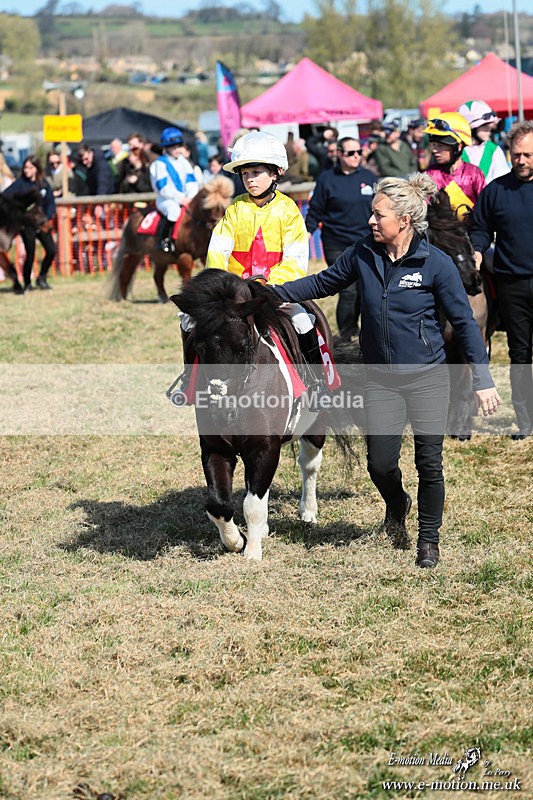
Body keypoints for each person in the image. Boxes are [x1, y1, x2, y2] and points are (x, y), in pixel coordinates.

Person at [272, 173, 501, 568]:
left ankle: (428, 541)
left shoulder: (436, 263)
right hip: (380, 379)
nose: (371, 221)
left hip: (428, 379)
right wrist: (268, 293)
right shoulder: (363, 252)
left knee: (429, 463)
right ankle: (397, 503)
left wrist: (482, 379)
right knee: (379, 464)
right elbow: (323, 282)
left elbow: (465, 325)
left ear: (404, 221)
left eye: (378, 215)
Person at [182, 130, 323, 384]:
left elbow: (295, 259)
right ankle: (190, 380)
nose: (249, 180)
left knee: (303, 321)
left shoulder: (288, 210)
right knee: (188, 321)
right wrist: (221, 288)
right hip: (234, 295)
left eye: (256, 172)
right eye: (245, 174)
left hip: (274, 292)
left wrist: (265, 285)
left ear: (275, 172)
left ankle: (317, 382)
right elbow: (218, 251)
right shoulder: (235, 208)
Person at [470, 120, 533, 440]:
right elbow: (480, 227)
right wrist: (477, 250)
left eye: (528, 155)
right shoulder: (496, 190)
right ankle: (526, 421)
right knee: (519, 354)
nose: (520, 160)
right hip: (512, 284)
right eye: (516, 154)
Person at [305, 137, 375, 341]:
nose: (356, 156)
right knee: (348, 289)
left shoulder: (370, 177)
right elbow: (315, 210)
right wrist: (307, 232)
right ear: (339, 154)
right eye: (351, 153)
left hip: (365, 242)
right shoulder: (327, 179)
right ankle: (346, 335)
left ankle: (364, 332)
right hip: (336, 242)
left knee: (365, 288)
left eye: (359, 152)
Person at [4, 155, 56, 291]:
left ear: (36, 169)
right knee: (30, 254)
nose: (27, 170)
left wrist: (47, 217)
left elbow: (50, 202)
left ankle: (42, 278)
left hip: (42, 222)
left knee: (51, 250)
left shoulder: (43, 184)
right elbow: (5, 198)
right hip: (27, 225)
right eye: (25, 168)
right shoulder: (19, 184)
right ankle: (27, 283)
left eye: (30, 168)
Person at [424, 113, 486, 221]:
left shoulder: (474, 174)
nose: (434, 150)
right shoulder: (430, 174)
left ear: (459, 146)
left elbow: (485, 208)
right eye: (434, 145)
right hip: (438, 230)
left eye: (440, 145)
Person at [149, 127, 200, 253]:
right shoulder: (159, 164)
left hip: (185, 198)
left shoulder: (184, 161)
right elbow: (162, 188)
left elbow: (191, 181)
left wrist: (191, 197)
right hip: (166, 199)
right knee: (174, 211)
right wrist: (179, 198)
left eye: (179, 146)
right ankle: (164, 240)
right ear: (166, 148)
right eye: (173, 147)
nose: (177, 150)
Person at [457, 100, 510, 184]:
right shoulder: (456, 151)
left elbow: (503, 182)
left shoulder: (494, 150)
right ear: (471, 128)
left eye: (489, 125)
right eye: (484, 126)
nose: (489, 129)